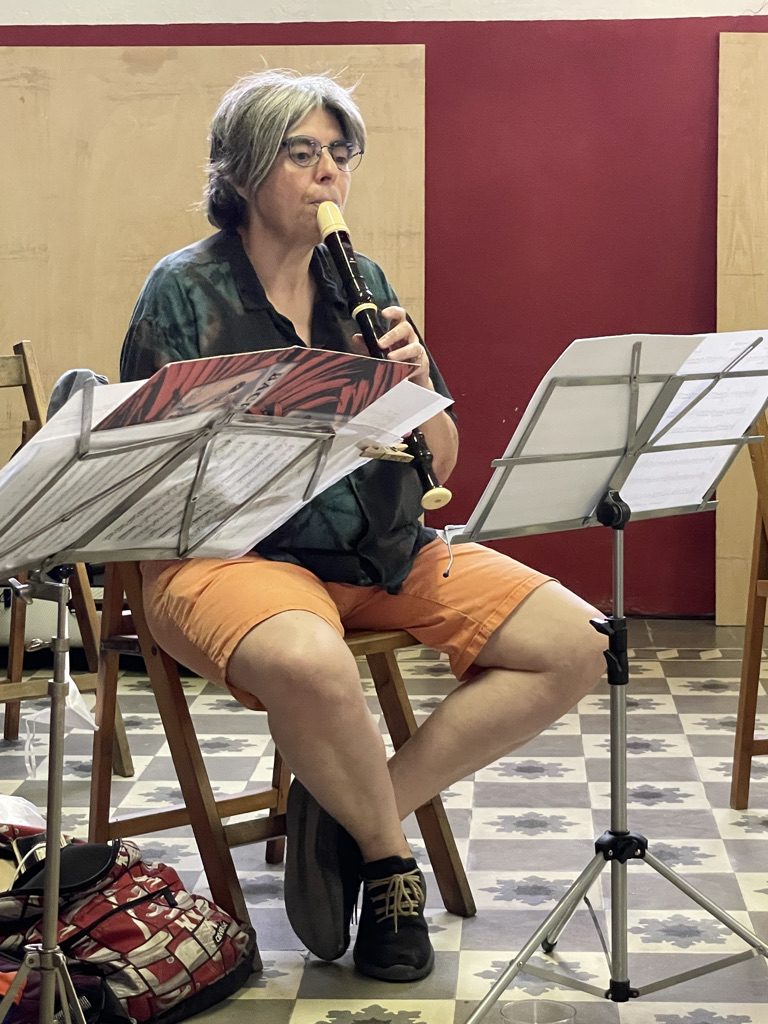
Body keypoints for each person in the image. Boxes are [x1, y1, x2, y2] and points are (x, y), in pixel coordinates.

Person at [120, 69, 608, 983]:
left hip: (380, 547)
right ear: (242, 171)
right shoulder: (183, 291)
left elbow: (441, 464)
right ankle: (388, 866)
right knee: (314, 663)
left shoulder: (364, 283)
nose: (328, 174)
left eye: (339, 155)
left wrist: (415, 385)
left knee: (579, 642)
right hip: (233, 558)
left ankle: (354, 810)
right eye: (302, 153)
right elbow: (156, 474)